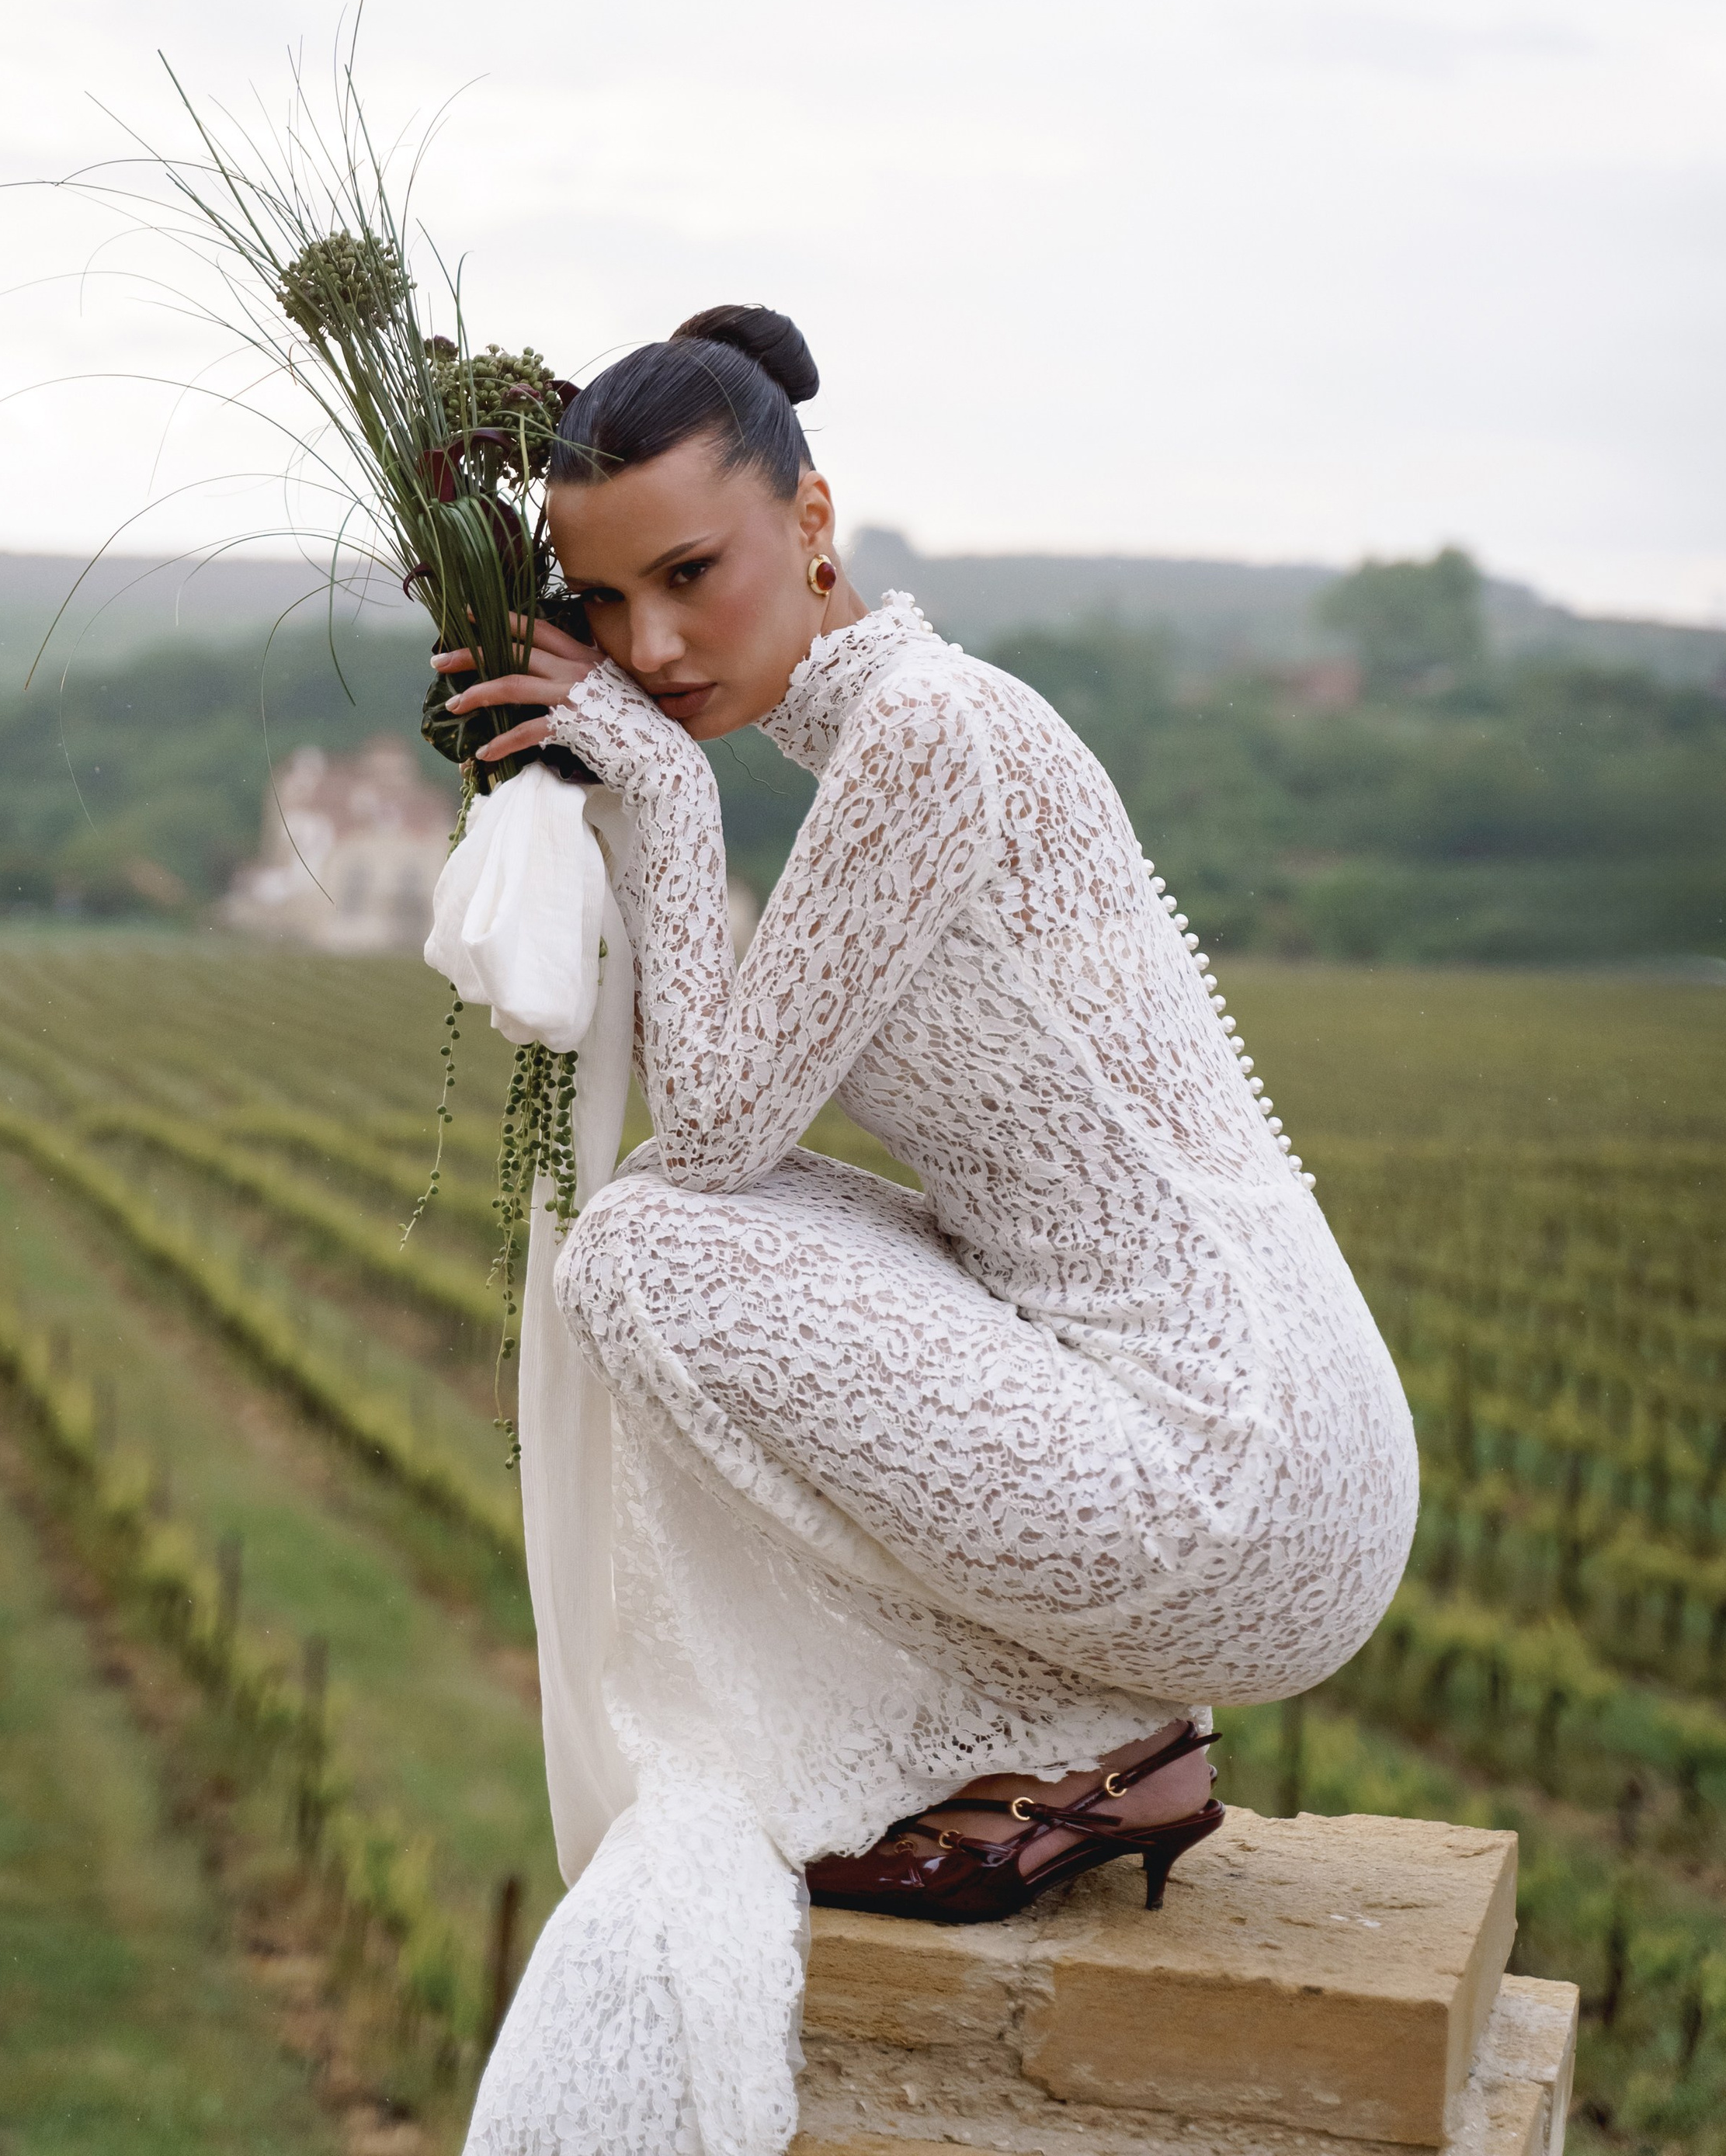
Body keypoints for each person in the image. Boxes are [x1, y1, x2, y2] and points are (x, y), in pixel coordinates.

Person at [436, 304, 1418, 2156]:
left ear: (813, 522)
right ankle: (1060, 1738)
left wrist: (641, 778)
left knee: (648, 1248)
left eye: (693, 576)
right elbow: (733, 1100)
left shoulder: (929, 734)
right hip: (1221, 1423)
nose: (651, 644)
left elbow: (715, 1128)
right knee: (669, 1241)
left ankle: (1023, 1733)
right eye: (605, 601)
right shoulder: (880, 740)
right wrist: (600, 767)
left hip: (1246, 1455)